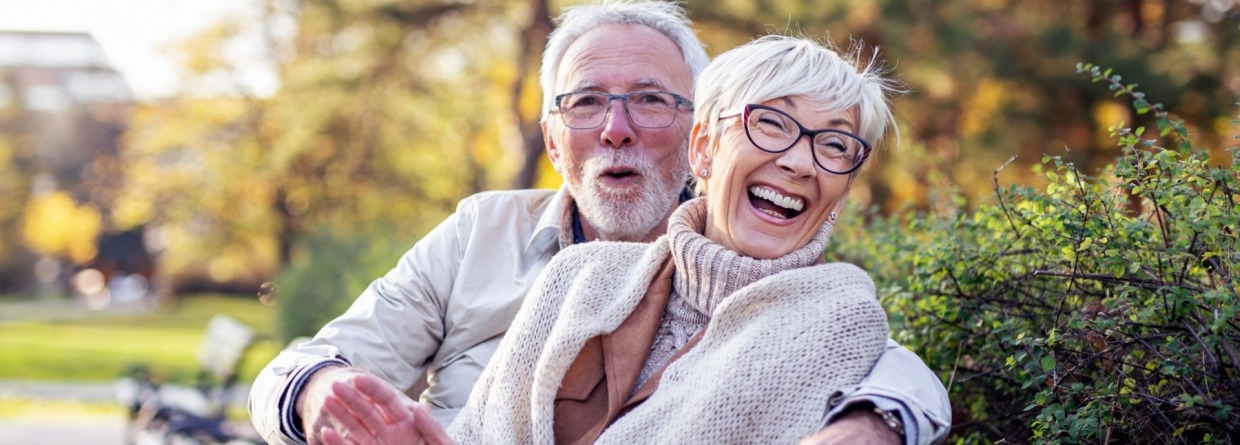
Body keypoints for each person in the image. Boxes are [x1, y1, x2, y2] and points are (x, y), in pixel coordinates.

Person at [248, 2, 951, 444]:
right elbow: (306, 365)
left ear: (691, 135)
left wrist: (879, 417)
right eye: (586, 103)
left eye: (649, 99)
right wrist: (320, 396)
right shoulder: (483, 234)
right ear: (553, 140)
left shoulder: (785, 268)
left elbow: (854, 343)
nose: (616, 129)